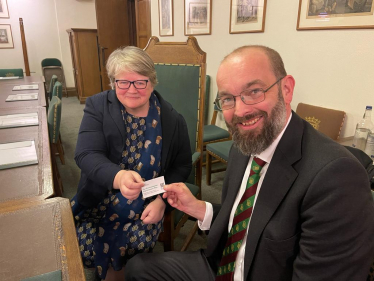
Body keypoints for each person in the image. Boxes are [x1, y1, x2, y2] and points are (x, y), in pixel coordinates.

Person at [124, 45, 374, 280]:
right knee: (138, 268)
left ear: (286, 89)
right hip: (223, 265)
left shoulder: (336, 177)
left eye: (254, 92)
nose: (240, 111)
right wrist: (200, 208)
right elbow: (253, 219)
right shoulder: (243, 146)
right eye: (228, 99)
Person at [70, 46, 192, 281]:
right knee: (84, 241)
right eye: (123, 82)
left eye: (140, 82)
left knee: (134, 242)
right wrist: (119, 177)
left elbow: (182, 166)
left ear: (152, 82)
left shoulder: (173, 120)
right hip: (99, 194)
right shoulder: (98, 106)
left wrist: (162, 201)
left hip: (149, 197)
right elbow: (86, 154)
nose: (132, 90)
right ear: (113, 82)